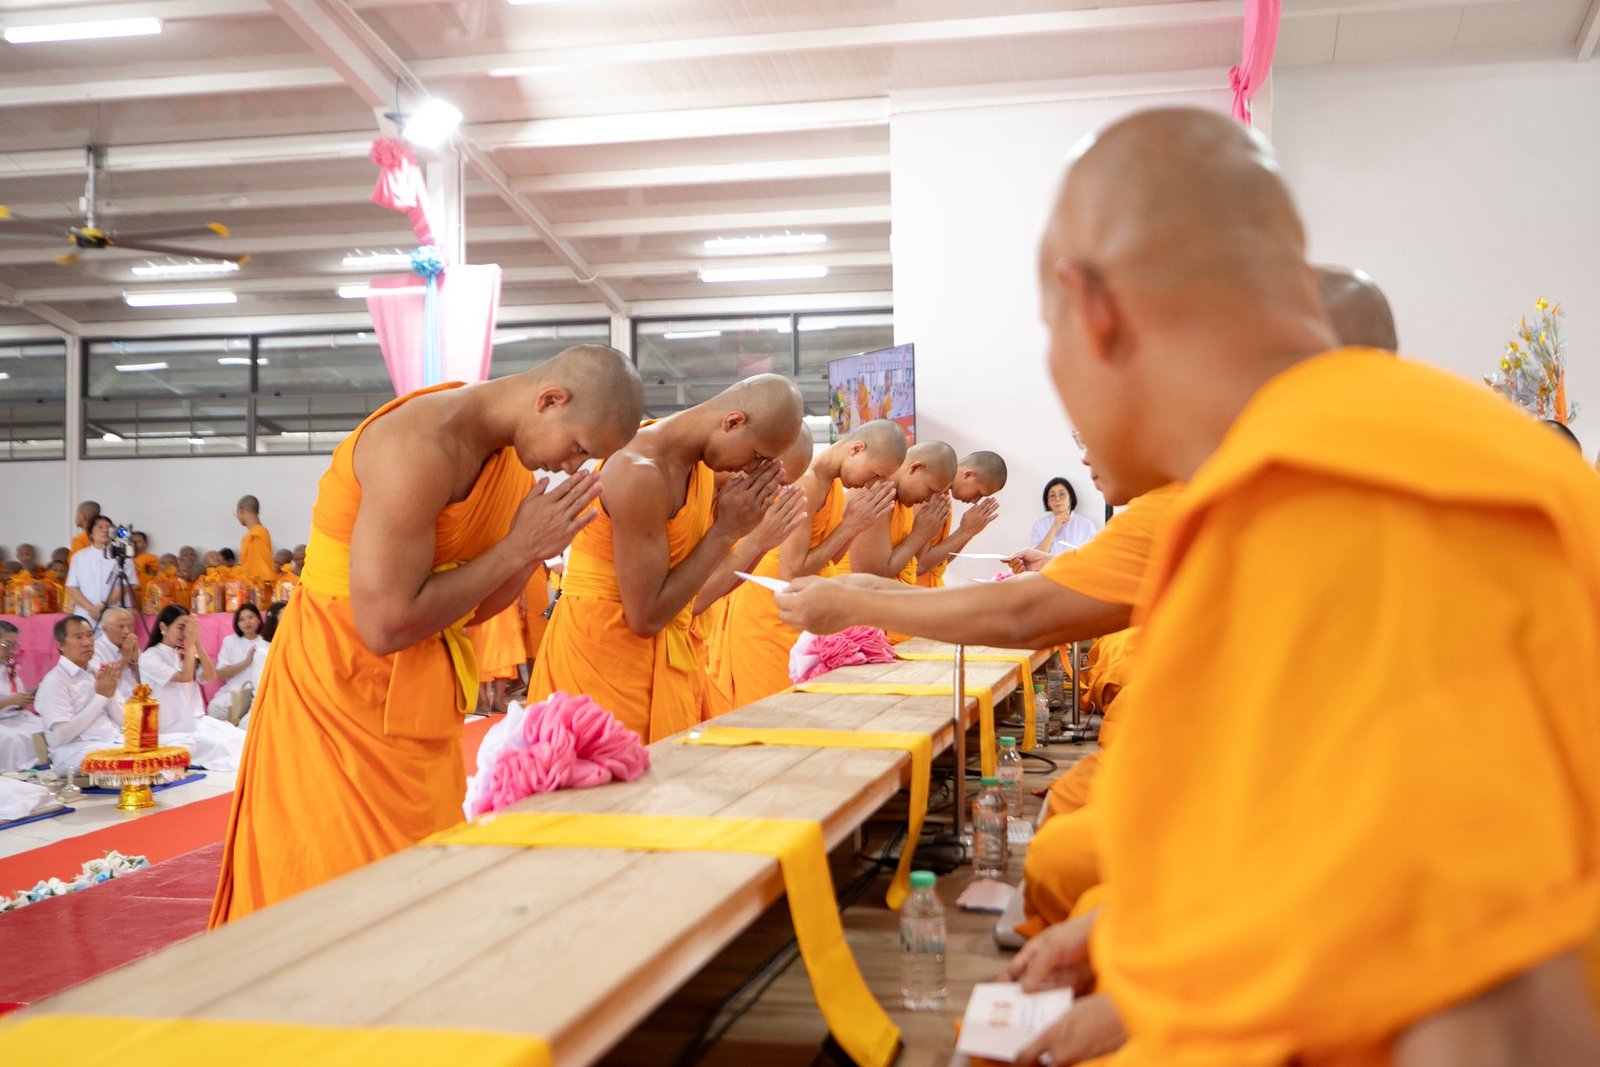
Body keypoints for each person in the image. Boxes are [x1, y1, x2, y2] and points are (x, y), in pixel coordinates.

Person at [1000, 107, 1600, 1066]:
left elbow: (1505, 1016)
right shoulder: (1372, 462)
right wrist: (1134, 946)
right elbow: (1350, 869)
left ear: (1093, 304)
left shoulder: (1350, 496)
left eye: (1045, 328)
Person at [212, 343, 646, 926]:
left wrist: (530, 554)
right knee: (339, 894)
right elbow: (385, 623)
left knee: (426, 887)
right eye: (579, 448)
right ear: (549, 400)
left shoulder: (513, 460)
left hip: (423, 701)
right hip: (337, 691)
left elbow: (476, 606)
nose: (571, 466)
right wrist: (519, 548)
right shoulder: (417, 444)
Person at [529, 374, 805, 741]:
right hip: (603, 660)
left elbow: (696, 588)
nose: (753, 470)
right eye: (757, 457)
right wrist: (727, 531)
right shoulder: (638, 472)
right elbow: (646, 616)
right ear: (733, 422)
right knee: (611, 793)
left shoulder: (703, 466)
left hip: (664, 656)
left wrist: (745, 531)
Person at [709, 419, 907, 708]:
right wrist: (849, 527)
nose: (871, 483)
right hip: (770, 607)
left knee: (800, 705)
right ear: (856, 449)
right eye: (875, 473)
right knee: (771, 707)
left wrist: (855, 526)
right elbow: (792, 570)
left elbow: (831, 559)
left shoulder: (834, 487)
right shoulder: (809, 482)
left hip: (800, 605)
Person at [140, 605, 244, 771]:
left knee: (242, 737)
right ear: (163, 627)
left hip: (197, 721)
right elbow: (185, 676)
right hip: (172, 729)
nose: (184, 634)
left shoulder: (184, 652)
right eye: (181, 627)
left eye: (188, 629)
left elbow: (210, 675)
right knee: (222, 746)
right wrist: (190, 645)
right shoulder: (149, 657)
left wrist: (197, 642)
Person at [844, 440, 958, 584]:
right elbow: (872, 577)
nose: (927, 499)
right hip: (853, 599)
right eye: (930, 490)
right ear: (916, 467)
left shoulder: (900, 499)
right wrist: (919, 535)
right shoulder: (878, 492)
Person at [33, 615, 124, 777]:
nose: (87, 642)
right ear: (60, 645)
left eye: (90, 635)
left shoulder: (97, 672)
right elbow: (63, 735)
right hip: (75, 752)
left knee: (163, 750)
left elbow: (123, 722)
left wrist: (110, 693)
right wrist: (101, 697)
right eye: (78, 637)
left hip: (110, 743)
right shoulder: (55, 681)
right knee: (131, 763)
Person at [913, 451, 1007, 587]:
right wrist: (964, 531)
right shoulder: (928, 495)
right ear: (968, 474)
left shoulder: (943, 496)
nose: (975, 500)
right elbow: (919, 566)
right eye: (979, 493)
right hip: (908, 591)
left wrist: (970, 532)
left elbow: (940, 561)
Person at [63, 515, 137, 624]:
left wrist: (103, 605)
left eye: (108, 527)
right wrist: (90, 608)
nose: (105, 530)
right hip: (86, 613)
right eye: (100, 527)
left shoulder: (123, 556)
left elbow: (125, 586)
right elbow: (71, 586)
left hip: (115, 612)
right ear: (91, 533)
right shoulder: (79, 557)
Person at [206, 603, 268, 722]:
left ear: (259, 620)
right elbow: (220, 673)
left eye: (251, 617)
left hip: (261, 694)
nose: (247, 622)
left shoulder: (266, 641)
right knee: (214, 709)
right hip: (235, 692)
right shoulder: (230, 641)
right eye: (242, 619)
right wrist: (246, 662)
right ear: (237, 624)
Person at [0, 621, 43, 773]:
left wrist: (25, 699)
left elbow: (16, 695)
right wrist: (9, 701)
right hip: (3, 723)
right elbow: (9, 699)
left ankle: (43, 769)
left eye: (15, 646)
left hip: (16, 717)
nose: (12, 651)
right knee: (12, 739)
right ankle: (14, 775)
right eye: (7, 645)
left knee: (46, 727)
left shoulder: (9, 668)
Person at [1029, 476, 1096, 555]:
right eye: (1052, 495)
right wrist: (1053, 529)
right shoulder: (1039, 524)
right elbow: (1035, 557)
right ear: (1048, 502)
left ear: (1070, 498)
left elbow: (1093, 556)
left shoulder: (1086, 525)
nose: (1057, 499)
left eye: (1062, 494)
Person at [92, 607, 142, 704]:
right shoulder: (95, 650)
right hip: (114, 707)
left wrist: (136, 663)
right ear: (105, 629)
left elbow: (145, 680)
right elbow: (104, 682)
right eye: (121, 627)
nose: (127, 631)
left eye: (130, 626)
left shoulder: (131, 645)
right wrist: (125, 657)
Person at [234, 495, 275, 587]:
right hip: (252, 587)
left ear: (241, 511)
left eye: (236, 514)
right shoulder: (258, 532)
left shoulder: (257, 534)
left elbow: (258, 568)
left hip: (257, 588)